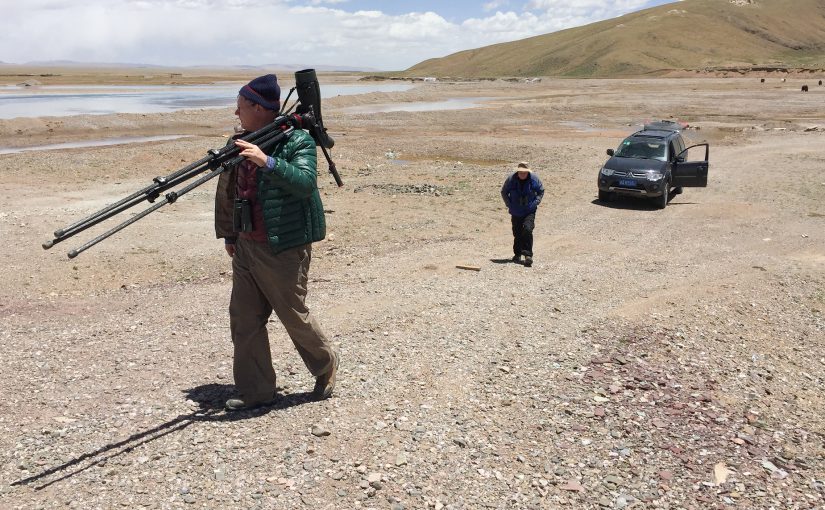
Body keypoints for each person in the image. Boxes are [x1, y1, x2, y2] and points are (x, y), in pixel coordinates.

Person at [214, 74, 339, 411]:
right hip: (246, 244)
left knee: (292, 313)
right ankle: (256, 391)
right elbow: (228, 190)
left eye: (241, 107)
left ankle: (326, 364)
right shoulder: (239, 141)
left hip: (283, 245)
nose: (236, 114)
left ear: (259, 107)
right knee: (244, 317)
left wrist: (265, 160)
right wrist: (229, 233)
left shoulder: (296, 140)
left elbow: (304, 183)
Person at [500, 161, 545, 267]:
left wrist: (535, 203)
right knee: (517, 232)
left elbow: (541, 191)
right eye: (520, 172)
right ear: (518, 171)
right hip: (515, 210)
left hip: (529, 210)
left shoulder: (534, 179)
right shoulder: (511, 179)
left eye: (524, 172)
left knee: (528, 229)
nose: (522, 174)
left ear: (528, 172)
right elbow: (504, 192)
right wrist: (509, 204)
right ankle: (517, 254)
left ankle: (528, 255)